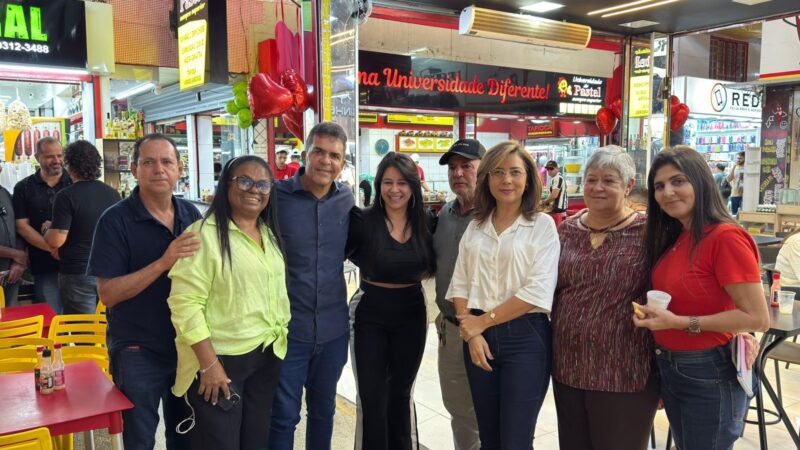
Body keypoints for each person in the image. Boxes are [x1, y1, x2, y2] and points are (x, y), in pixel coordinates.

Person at [634, 145, 770, 450]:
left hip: (708, 370)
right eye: (659, 186)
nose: (668, 192)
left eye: (678, 181)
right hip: (672, 366)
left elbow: (757, 317)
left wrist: (679, 322)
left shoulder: (725, 238)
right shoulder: (678, 235)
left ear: (701, 182)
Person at [87, 134, 201, 450]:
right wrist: (164, 261)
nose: (158, 170)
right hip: (137, 350)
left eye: (167, 162)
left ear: (179, 169)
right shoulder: (115, 221)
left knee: (186, 434)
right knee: (139, 439)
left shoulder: (190, 215)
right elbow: (108, 293)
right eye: (148, 162)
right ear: (135, 169)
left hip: (186, 345)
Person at [168, 155, 290, 450]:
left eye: (263, 184)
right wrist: (209, 364)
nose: (254, 190)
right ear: (226, 186)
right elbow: (185, 304)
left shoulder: (268, 233)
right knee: (220, 442)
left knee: (255, 440)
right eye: (244, 181)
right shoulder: (203, 235)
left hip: (266, 354)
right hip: (222, 361)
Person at [447, 141, 559, 449]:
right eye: (497, 172)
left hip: (526, 339)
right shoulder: (476, 226)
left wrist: (480, 324)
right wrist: (471, 332)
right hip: (479, 339)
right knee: (490, 438)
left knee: (516, 441)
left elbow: (537, 292)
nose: (506, 180)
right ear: (487, 179)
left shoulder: (542, 226)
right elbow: (461, 284)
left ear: (528, 179)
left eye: (515, 172)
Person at [551, 147, 659, 450]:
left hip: (625, 370)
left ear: (628, 186)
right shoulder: (567, 230)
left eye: (609, 181)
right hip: (567, 367)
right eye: (591, 179)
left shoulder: (649, 232)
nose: (598, 187)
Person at [269, 122, 354, 450]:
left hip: (333, 331)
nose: (325, 160)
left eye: (334, 155)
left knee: (324, 412)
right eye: (318, 151)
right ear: (305, 154)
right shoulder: (275, 198)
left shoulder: (346, 200)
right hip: (288, 331)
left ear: (342, 163)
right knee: (284, 416)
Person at [346, 152, 436, 449]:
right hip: (370, 312)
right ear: (379, 185)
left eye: (402, 182)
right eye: (387, 182)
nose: (394, 189)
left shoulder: (428, 222)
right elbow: (324, 253)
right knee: (372, 397)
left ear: (413, 186)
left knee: (400, 394)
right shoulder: (361, 220)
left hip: (411, 313)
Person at [433, 139, 485, 450]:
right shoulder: (445, 214)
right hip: (451, 329)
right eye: (453, 168)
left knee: (493, 412)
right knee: (460, 412)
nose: (458, 173)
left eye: (467, 166)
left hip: (490, 328)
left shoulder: (497, 213)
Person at [44, 140, 120, 314]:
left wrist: (47, 229)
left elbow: (55, 240)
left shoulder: (66, 196)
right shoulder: (113, 194)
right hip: (108, 271)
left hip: (77, 272)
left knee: (83, 332)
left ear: (70, 166)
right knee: (106, 328)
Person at [13, 136, 71, 312]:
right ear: (37, 157)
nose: (57, 161)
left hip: (76, 265)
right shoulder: (23, 187)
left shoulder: (74, 183)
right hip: (43, 265)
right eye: (50, 156)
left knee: (79, 323)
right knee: (50, 319)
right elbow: (22, 226)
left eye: (59, 155)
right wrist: (52, 248)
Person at [0, 184, 25, 306]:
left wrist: (18, 262)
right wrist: (15, 254)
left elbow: (18, 229)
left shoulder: (5, 193)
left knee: (12, 321)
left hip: (11, 275)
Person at [542, 160, 568, 227]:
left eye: (551, 168)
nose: (549, 171)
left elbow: (554, 196)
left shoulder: (557, 178)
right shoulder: (557, 177)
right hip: (559, 208)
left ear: (557, 168)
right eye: (548, 169)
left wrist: (544, 202)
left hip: (558, 209)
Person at [727, 151, 745, 216]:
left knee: (743, 215)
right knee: (734, 215)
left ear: (745, 158)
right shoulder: (734, 167)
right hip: (734, 194)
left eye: (740, 158)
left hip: (745, 195)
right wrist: (734, 166)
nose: (738, 160)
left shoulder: (748, 167)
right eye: (737, 158)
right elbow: (728, 179)